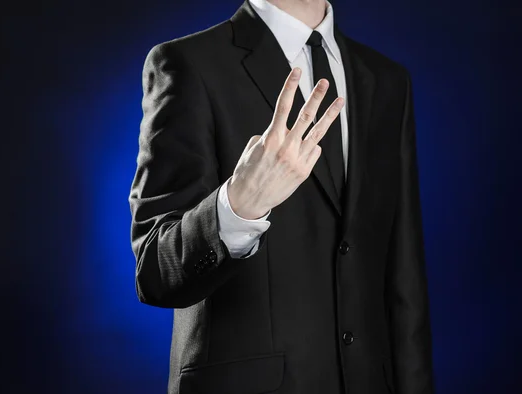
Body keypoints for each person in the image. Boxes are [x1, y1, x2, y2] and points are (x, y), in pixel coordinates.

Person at [128, 0, 434, 393]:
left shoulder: (388, 80)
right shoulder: (187, 63)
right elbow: (154, 273)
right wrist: (238, 207)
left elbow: (404, 279)